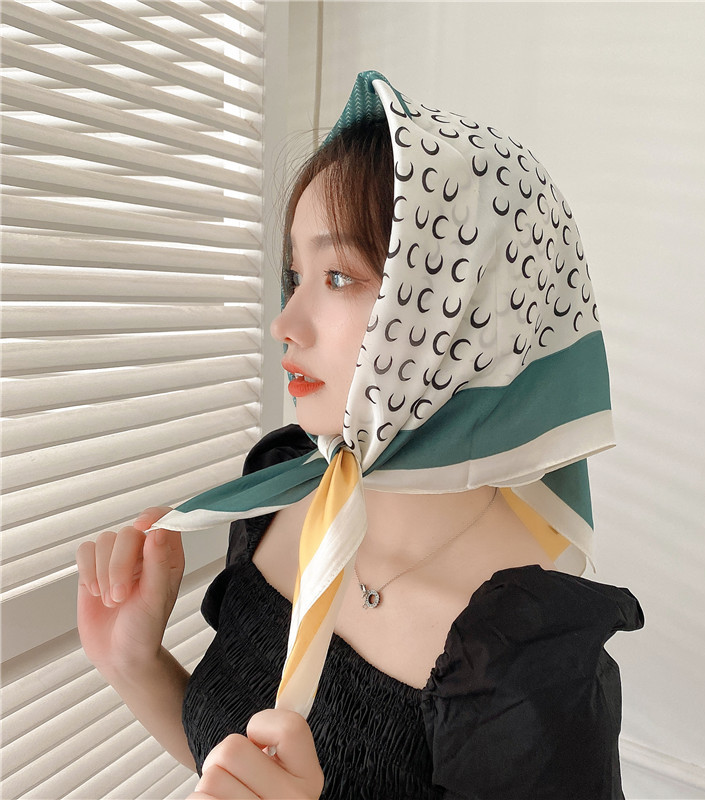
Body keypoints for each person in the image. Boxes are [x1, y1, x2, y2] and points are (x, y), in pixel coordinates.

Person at [77, 71, 643, 799]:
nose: (284, 323)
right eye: (296, 276)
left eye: (339, 277)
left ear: (460, 308)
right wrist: (133, 663)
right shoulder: (282, 488)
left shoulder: (524, 659)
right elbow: (232, 767)